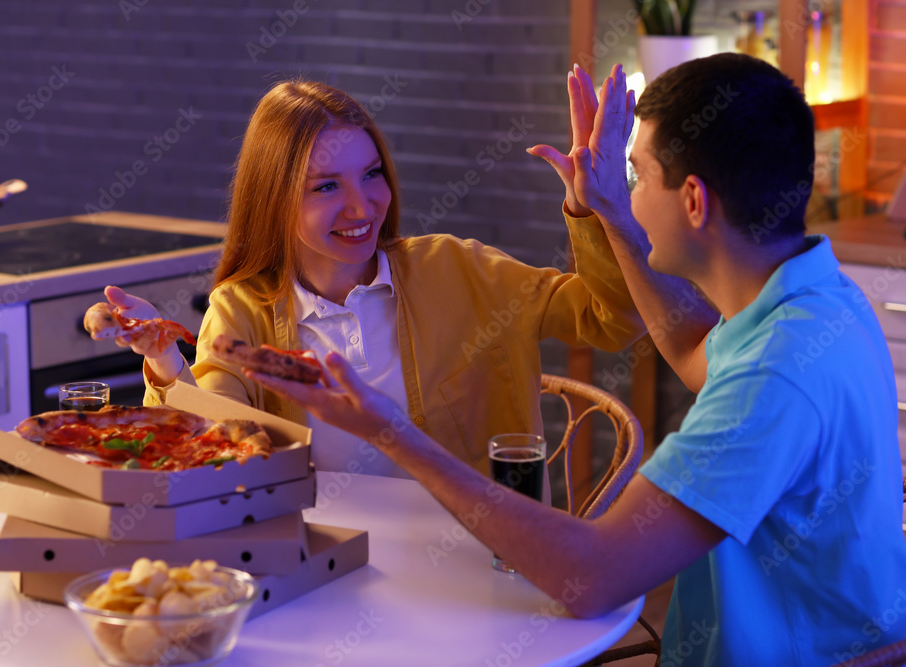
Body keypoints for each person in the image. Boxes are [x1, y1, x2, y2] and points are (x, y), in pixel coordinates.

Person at [243, 55, 906, 665]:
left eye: (636, 174)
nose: (626, 190)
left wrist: (388, 429)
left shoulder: (774, 377)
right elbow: (692, 347)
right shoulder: (819, 298)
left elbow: (589, 578)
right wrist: (612, 213)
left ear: (696, 201)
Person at [104, 78, 646, 478]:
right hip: (318, 559)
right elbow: (213, 445)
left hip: (475, 555)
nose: (363, 206)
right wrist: (164, 361)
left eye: (370, 174)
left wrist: (598, 209)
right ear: (273, 201)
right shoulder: (242, 308)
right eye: (325, 187)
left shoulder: (458, 269)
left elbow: (613, 320)